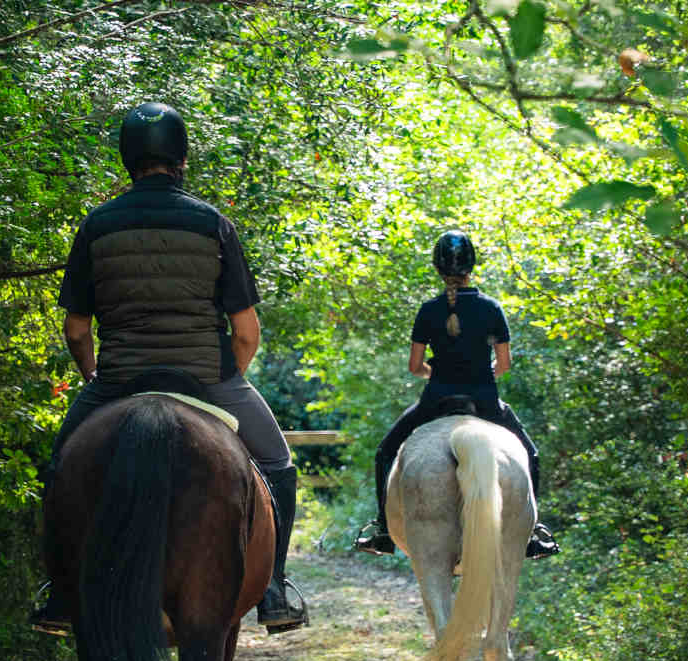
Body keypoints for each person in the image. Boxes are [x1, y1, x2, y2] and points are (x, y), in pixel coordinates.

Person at [33, 102, 308, 631]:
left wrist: (94, 377)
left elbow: (76, 330)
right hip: (205, 375)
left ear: (127, 158)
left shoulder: (97, 225)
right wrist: (226, 375)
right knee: (277, 464)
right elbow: (246, 332)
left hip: (119, 379)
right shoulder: (213, 224)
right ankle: (274, 588)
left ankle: (61, 594)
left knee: (61, 465)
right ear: (182, 157)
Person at [354, 231, 558, 559]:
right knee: (530, 454)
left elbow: (415, 366)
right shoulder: (491, 308)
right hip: (485, 400)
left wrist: (435, 374)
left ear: (437, 268)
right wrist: (482, 374)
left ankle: (383, 531)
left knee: (385, 452)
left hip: (436, 399)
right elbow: (504, 364)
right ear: (472, 267)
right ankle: (532, 534)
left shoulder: (428, 310)